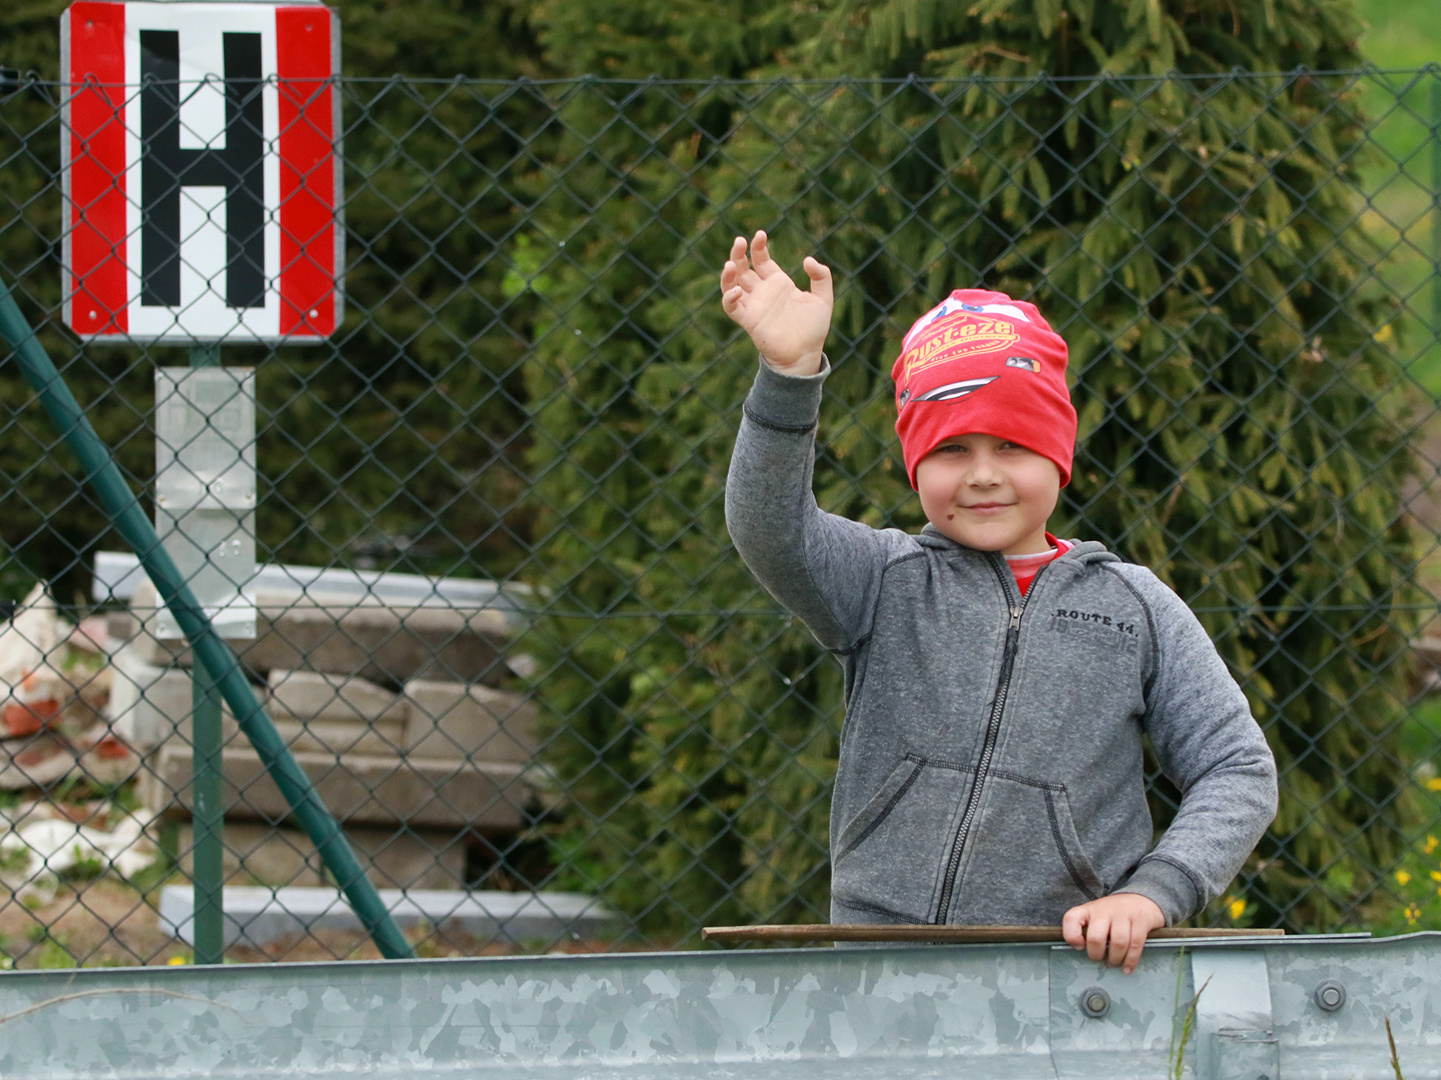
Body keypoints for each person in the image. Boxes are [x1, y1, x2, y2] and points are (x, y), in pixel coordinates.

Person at [720, 230, 1278, 974]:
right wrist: (787, 373)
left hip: (1069, 975)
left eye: (1011, 446)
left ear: (1058, 453)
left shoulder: (1135, 608)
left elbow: (1236, 767)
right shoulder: (882, 580)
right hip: (880, 966)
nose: (982, 475)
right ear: (916, 465)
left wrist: (1152, 894)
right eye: (951, 450)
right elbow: (769, 530)